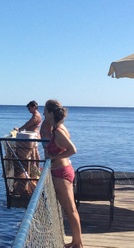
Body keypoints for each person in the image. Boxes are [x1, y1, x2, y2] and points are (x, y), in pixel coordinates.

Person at [44, 99, 83, 248]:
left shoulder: (59, 131)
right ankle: (75, 241)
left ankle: (78, 243)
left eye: (45, 111)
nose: (43, 114)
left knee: (71, 209)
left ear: (51, 113)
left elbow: (72, 149)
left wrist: (53, 157)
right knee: (69, 209)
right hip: (61, 171)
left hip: (62, 173)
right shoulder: (58, 128)